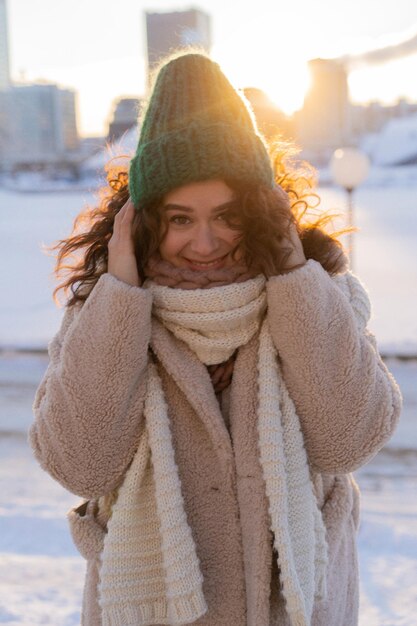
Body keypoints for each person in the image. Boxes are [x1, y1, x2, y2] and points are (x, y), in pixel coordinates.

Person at [29, 50, 402, 626]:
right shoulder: (102, 315)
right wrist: (122, 296)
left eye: (226, 215)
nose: (204, 243)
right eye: (180, 219)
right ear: (144, 220)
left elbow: (348, 441)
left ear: (259, 211)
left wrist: (292, 278)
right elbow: (82, 468)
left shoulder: (318, 293)